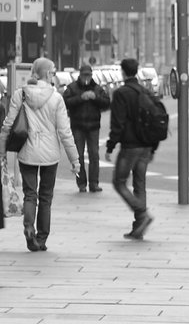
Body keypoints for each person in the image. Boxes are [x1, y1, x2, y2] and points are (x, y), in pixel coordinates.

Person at [0, 57, 80, 251]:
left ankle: (29, 227)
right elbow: (65, 132)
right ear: (48, 73)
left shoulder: (21, 94)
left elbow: (8, 125)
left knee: (30, 194)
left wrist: (2, 150)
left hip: (26, 151)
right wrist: (75, 159)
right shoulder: (56, 98)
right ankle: (42, 238)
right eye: (52, 71)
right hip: (50, 154)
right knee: (46, 197)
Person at [105, 58, 160, 240]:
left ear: (123, 71)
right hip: (146, 145)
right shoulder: (145, 91)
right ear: (136, 71)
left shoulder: (121, 93)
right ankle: (138, 228)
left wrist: (111, 146)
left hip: (130, 146)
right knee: (139, 184)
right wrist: (152, 147)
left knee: (119, 182)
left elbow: (118, 123)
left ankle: (142, 214)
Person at [63, 63, 111, 193]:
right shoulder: (72, 88)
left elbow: (107, 103)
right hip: (78, 126)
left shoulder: (97, 88)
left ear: (91, 75)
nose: (86, 77)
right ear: (80, 75)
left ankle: (94, 183)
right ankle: (81, 184)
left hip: (93, 127)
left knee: (94, 155)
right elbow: (65, 103)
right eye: (84, 75)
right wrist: (80, 98)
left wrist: (95, 98)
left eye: (88, 75)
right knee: (78, 156)